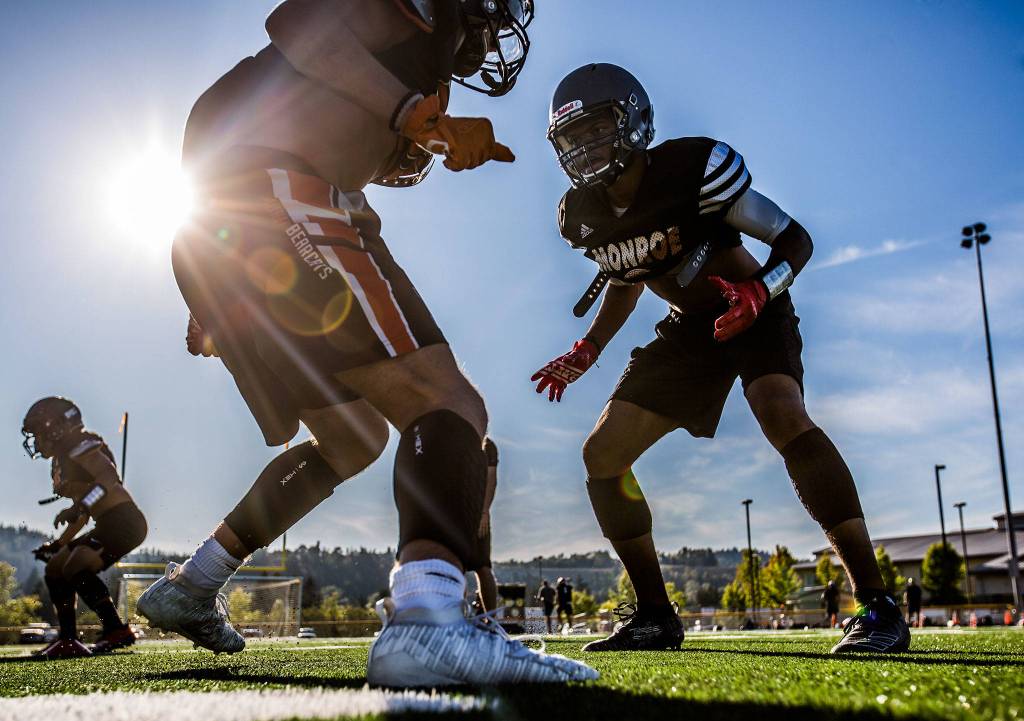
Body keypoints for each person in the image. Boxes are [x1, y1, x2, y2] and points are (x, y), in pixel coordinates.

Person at [137, 0, 595, 687]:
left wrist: (432, 131)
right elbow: (300, 25)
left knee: (354, 437)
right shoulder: (410, 16)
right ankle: (428, 621)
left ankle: (195, 580)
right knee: (445, 401)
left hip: (228, 223)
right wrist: (416, 113)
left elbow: (317, 114)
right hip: (264, 198)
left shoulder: (397, 78)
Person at [532, 63, 910, 655]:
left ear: (633, 120)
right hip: (689, 331)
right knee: (602, 453)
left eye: (597, 127)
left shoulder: (693, 170)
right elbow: (627, 274)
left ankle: (876, 602)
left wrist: (762, 291)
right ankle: (656, 614)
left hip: (753, 307)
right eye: (573, 137)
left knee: (780, 412)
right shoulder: (582, 214)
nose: (586, 147)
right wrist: (589, 347)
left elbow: (794, 238)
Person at [22, 397, 147, 659]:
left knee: (75, 566)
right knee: (56, 567)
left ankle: (116, 630)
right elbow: (82, 514)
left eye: (38, 433)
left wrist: (81, 506)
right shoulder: (62, 460)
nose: (35, 441)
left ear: (55, 429)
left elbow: (109, 478)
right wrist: (58, 544)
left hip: (124, 521)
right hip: (106, 523)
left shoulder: (79, 445)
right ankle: (67, 638)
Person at [467, 438, 499, 612]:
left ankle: (492, 621)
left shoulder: (487, 447)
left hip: (477, 513)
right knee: (454, 566)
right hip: (452, 511)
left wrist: (484, 511)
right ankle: (454, 621)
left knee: (483, 566)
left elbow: (491, 480)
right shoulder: (455, 439)